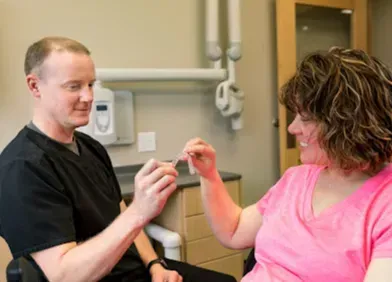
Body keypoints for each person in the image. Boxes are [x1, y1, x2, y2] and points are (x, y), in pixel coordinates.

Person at [0, 36, 236, 282]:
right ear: (35, 86)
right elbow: (63, 275)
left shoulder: (91, 148)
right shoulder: (22, 168)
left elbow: (120, 212)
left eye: (91, 84)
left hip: (137, 271)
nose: (89, 96)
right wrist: (139, 211)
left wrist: (155, 265)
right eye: (74, 86)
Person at [183, 47, 392, 281]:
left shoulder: (385, 204)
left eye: (306, 118)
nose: (292, 129)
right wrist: (209, 175)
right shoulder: (296, 180)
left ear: (347, 123)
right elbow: (235, 230)